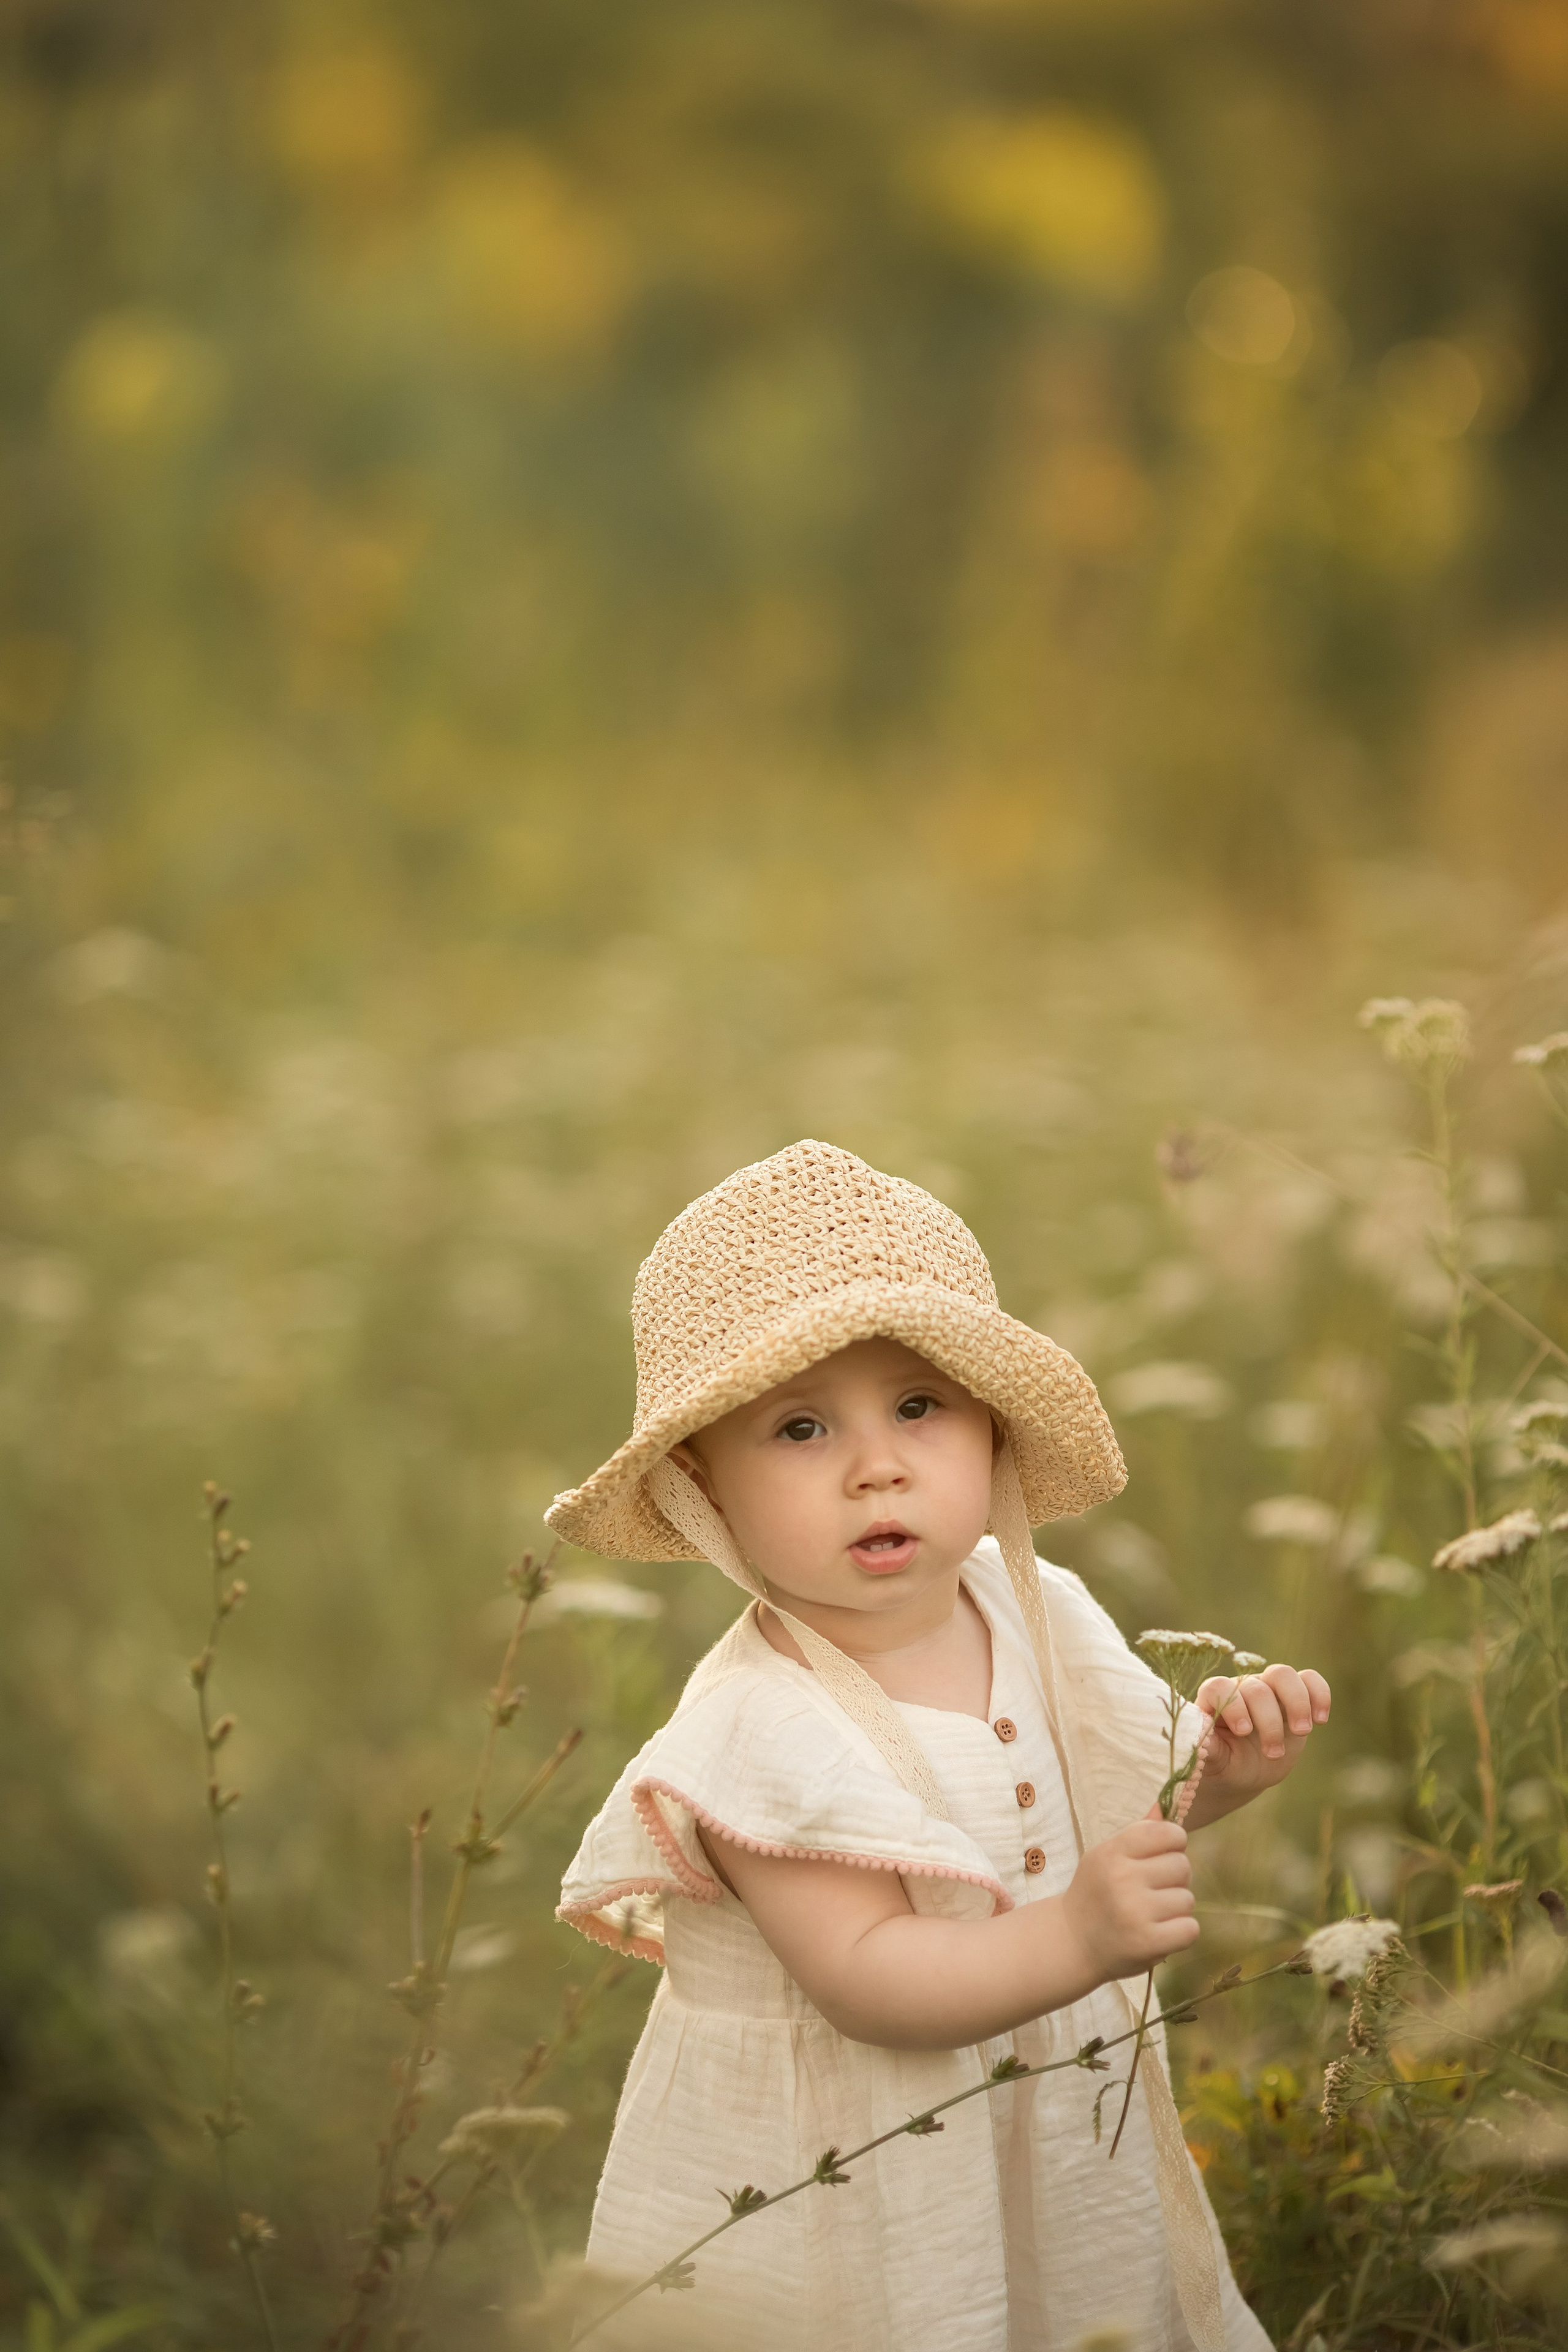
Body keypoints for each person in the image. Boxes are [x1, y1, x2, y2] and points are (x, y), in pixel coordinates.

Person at [548, 1140, 1330, 2352]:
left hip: (1054, 2138)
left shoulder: (1035, 1607)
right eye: (800, 1429)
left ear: (992, 1432)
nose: (878, 1467)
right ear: (703, 1486)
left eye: (919, 1407)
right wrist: (1074, 1938)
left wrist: (1224, 1764)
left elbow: (1124, 1795)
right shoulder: (756, 1732)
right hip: (857, 2178)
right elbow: (867, 1981)